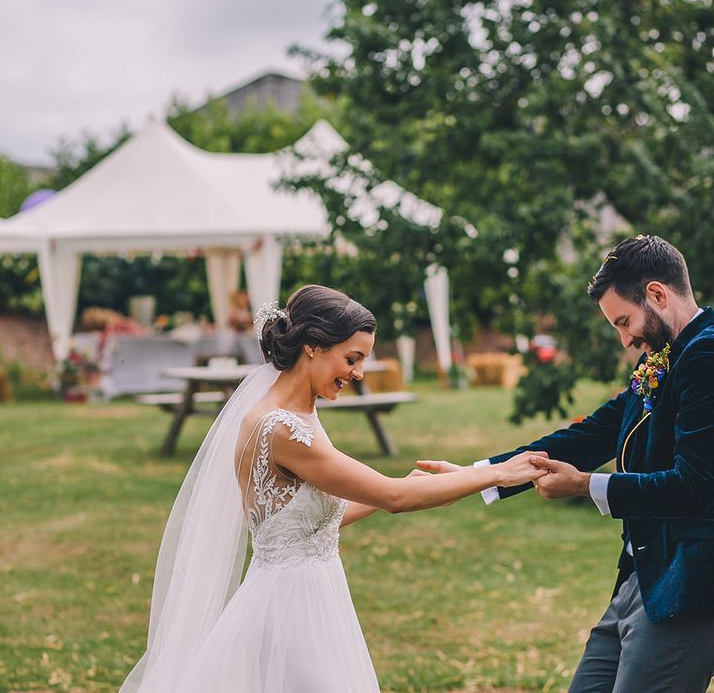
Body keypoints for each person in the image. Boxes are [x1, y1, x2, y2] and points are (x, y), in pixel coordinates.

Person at [120, 284, 546, 692]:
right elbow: (394, 499)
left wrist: (400, 488)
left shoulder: (299, 413)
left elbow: (310, 520)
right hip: (291, 607)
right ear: (313, 346)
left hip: (314, 591)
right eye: (352, 358)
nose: (359, 373)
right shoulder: (280, 427)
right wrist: (496, 473)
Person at [419, 235, 714, 692]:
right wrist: (484, 474)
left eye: (624, 320)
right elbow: (591, 433)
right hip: (641, 578)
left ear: (657, 294)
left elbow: (696, 485)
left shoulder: (706, 356)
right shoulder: (667, 355)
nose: (624, 338)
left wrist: (585, 486)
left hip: (690, 587)